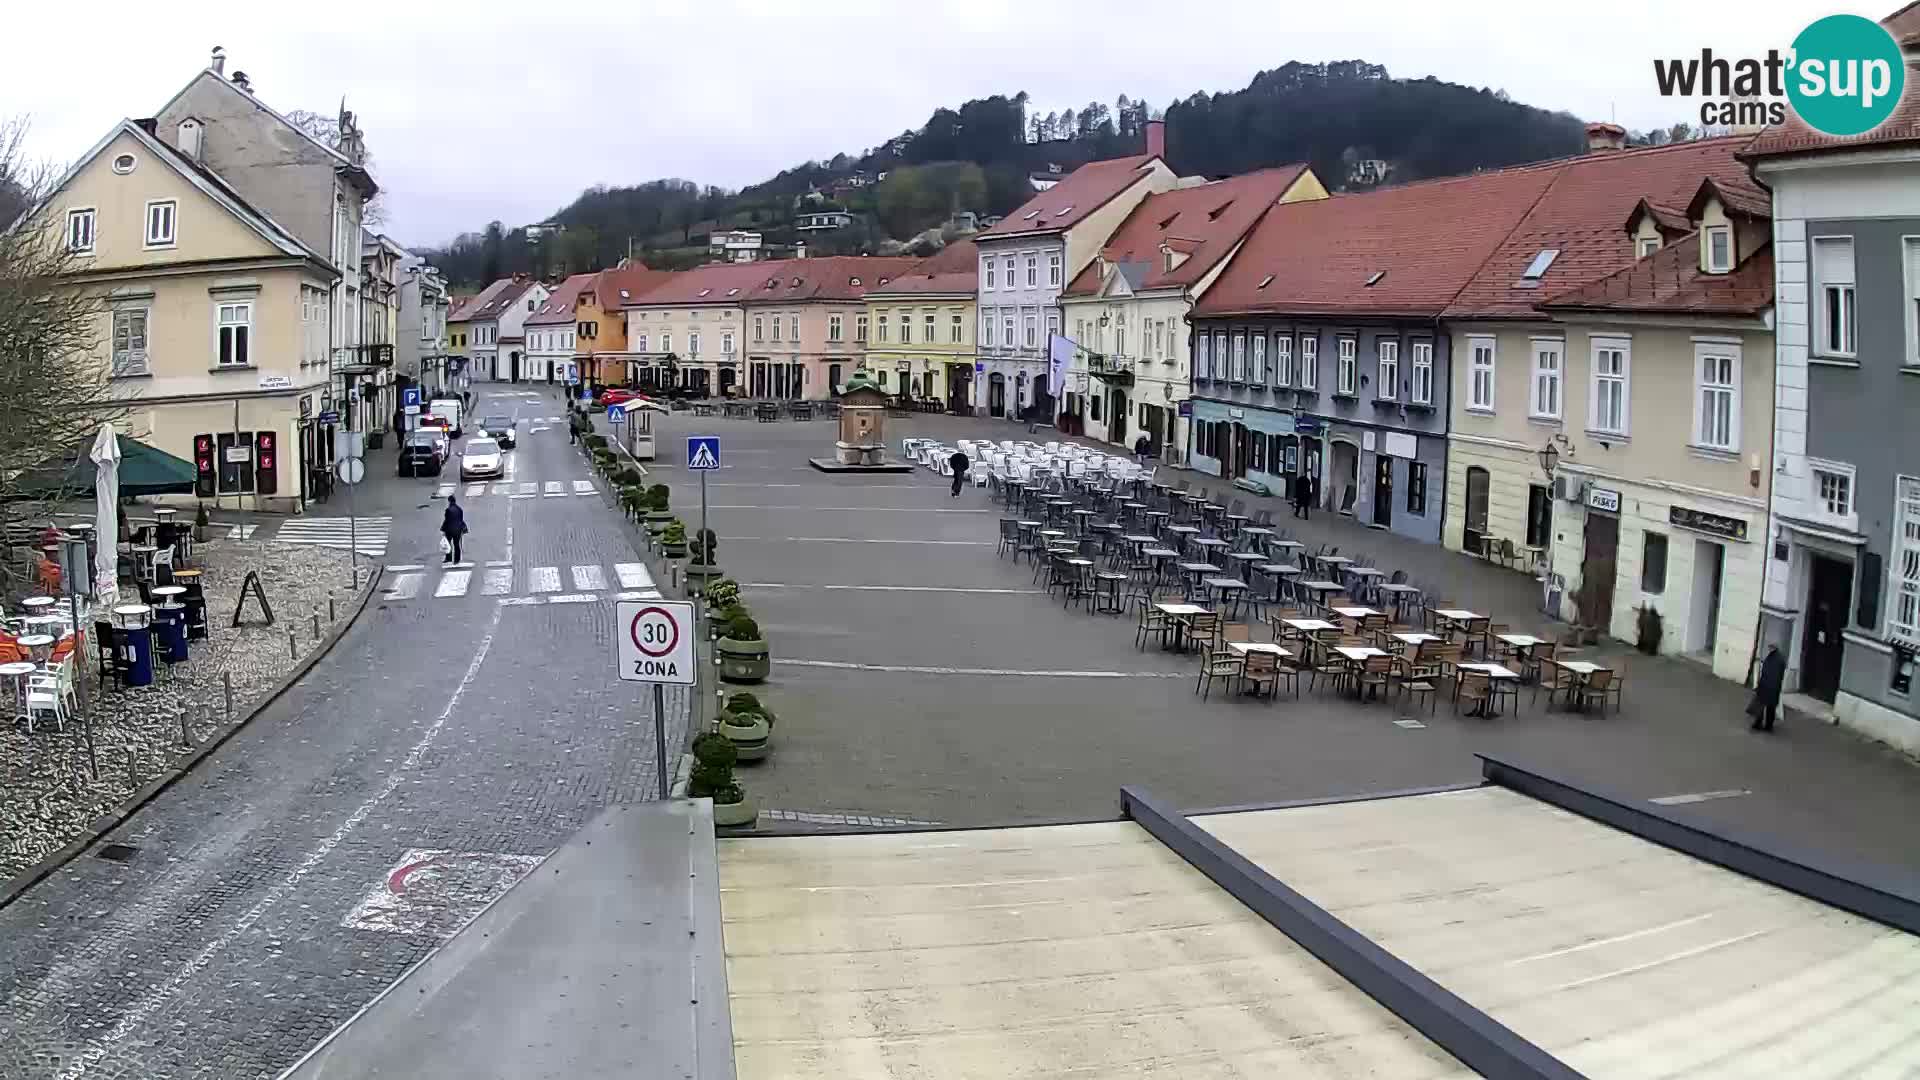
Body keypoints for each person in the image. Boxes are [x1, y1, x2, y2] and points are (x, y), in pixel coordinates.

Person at [1748, 645, 1786, 732]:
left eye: (1770, 647)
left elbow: (1772, 673)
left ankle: (1760, 724)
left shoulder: (1775, 658)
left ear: (1774, 648)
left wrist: (1762, 683)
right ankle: (1767, 725)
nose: (1769, 648)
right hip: (1771, 687)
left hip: (1768, 686)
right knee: (1769, 707)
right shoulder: (1776, 658)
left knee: (1763, 705)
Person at [441, 495, 468, 565]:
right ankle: (457, 560)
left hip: (449, 530)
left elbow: (447, 521)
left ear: (449, 501)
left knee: (448, 544)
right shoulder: (460, 509)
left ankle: (448, 558)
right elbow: (461, 519)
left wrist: (443, 529)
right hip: (458, 530)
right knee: (456, 544)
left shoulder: (448, 510)